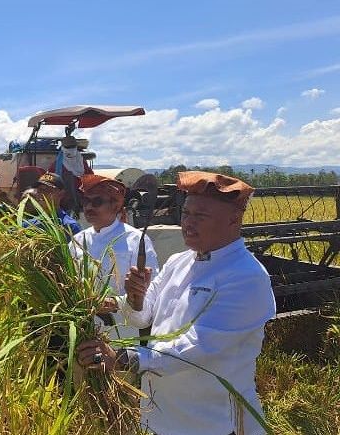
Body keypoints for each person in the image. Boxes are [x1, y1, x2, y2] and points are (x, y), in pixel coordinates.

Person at [77, 171, 276, 435]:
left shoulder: (245, 276)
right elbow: (143, 318)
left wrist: (125, 359)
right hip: (162, 414)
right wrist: (135, 300)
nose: (188, 224)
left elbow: (199, 347)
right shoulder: (179, 262)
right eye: (185, 214)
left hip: (213, 420)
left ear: (233, 219)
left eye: (200, 216)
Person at [68, 174, 159, 340]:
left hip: (121, 332)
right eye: (86, 201)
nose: (89, 207)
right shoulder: (77, 240)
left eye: (97, 202)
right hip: (80, 330)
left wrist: (114, 303)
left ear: (116, 205)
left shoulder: (135, 240)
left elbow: (151, 292)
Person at [22, 172, 81, 237]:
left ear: (61, 194)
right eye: (39, 190)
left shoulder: (70, 227)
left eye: (46, 190)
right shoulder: (28, 226)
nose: (42, 194)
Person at [47, 136, 94, 214]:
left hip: (82, 196)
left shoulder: (81, 161)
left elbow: (91, 177)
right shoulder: (57, 164)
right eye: (68, 147)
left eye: (72, 147)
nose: (71, 150)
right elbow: (49, 180)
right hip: (64, 199)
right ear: (63, 148)